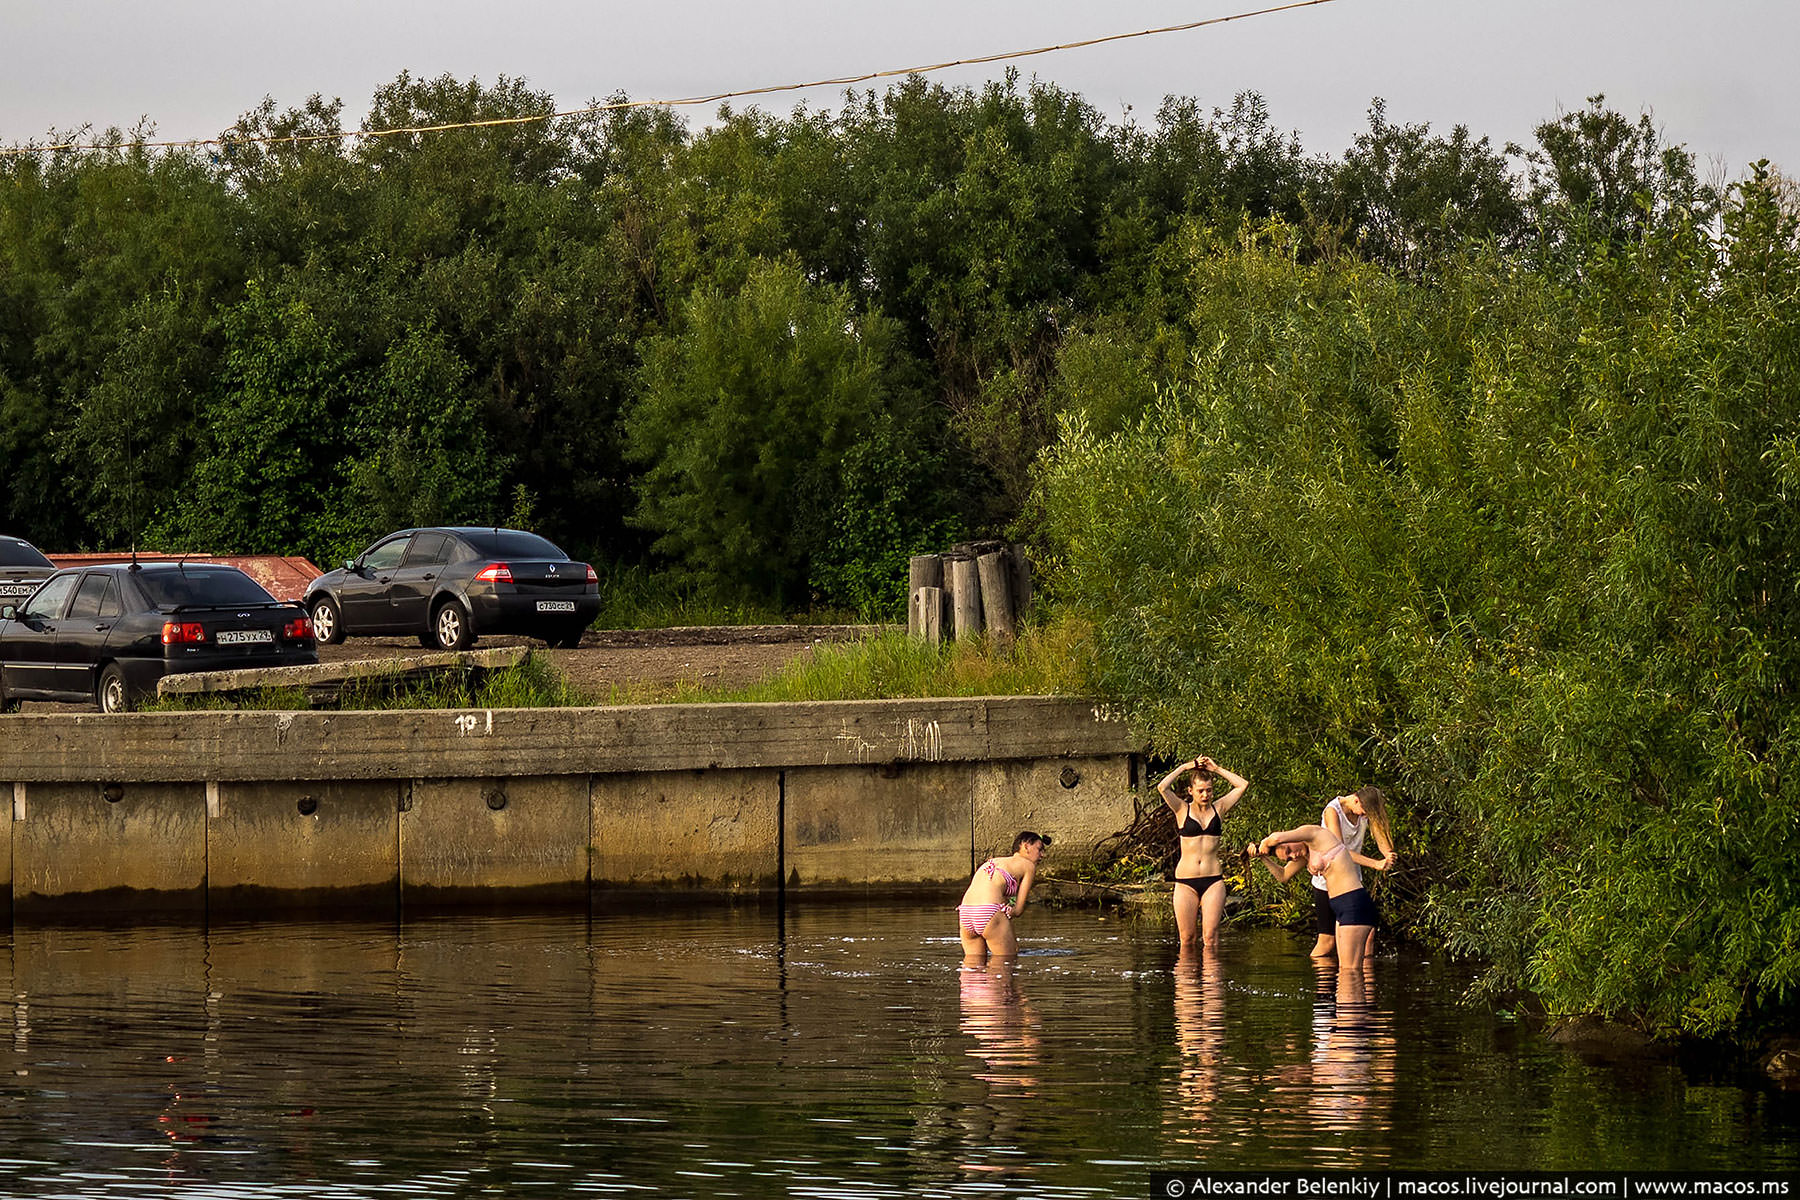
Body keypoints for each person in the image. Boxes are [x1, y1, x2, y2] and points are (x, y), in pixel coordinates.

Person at [1248, 819, 1377, 969]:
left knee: (1349, 971)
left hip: (1352, 902)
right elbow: (1283, 876)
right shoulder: (1304, 855)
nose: (1293, 856)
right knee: (1345, 971)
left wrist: (1263, 844)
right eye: (1288, 858)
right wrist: (1263, 857)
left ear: (1290, 839)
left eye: (1289, 850)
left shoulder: (1315, 834)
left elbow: (1276, 838)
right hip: (1341, 907)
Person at [1156, 754, 1250, 948]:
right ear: (1191, 791)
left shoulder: (1219, 808)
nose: (1205, 795)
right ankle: (1186, 979)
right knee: (1187, 939)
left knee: (1210, 938)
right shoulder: (1182, 809)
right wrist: (1184, 767)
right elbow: (1162, 787)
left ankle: (1212, 978)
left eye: (1209, 790)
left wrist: (1216, 770)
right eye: (1200, 791)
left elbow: (1242, 785)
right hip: (1185, 882)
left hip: (1213, 879)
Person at [1305, 787, 1395, 961]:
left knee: (1367, 935)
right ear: (1356, 800)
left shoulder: (1363, 812)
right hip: (1329, 883)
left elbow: (1379, 835)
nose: (1364, 816)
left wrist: (1387, 854)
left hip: (1352, 881)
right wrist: (1375, 864)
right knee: (1327, 942)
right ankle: (1320, 983)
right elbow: (1340, 851)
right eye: (1364, 812)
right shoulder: (1332, 812)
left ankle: (1362, 980)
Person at [956, 831, 1050, 958]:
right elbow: (1018, 910)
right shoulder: (1028, 866)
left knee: (973, 968)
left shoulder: (993, 861)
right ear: (1026, 846)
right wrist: (1010, 912)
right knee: (1006, 963)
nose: (1042, 855)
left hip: (965, 913)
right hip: (988, 911)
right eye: (1039, 849)